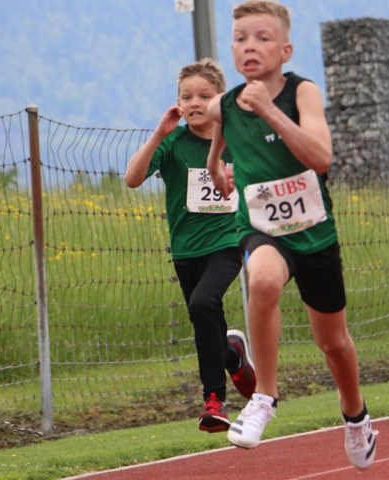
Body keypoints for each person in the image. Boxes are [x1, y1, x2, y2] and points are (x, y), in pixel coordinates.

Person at [204, 0, 378, 469]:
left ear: (285, 50)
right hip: (262, 229)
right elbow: (219, 124)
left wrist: (269, 111)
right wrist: (215, 165)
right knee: (262, 281)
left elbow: (321, 158)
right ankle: (264, 396)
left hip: (314, 233)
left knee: (333, 343)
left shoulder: (302, 93)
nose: (249, 47)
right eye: (240, 39)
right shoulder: (226, 104)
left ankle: (356, 416)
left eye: (262, 38)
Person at [125, 58, 256, 433]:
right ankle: (232, 355)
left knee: (202, 302)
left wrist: (238, 177)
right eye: (186, 97)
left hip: (229, 241)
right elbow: (132, 179)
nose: (195, 102)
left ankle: (214, 400)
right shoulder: (173, 143)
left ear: (220, 100)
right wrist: (159, 134)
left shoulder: (236, 139)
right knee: (204, 317)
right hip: (186, 251)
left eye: (204, 95)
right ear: (178, 103)